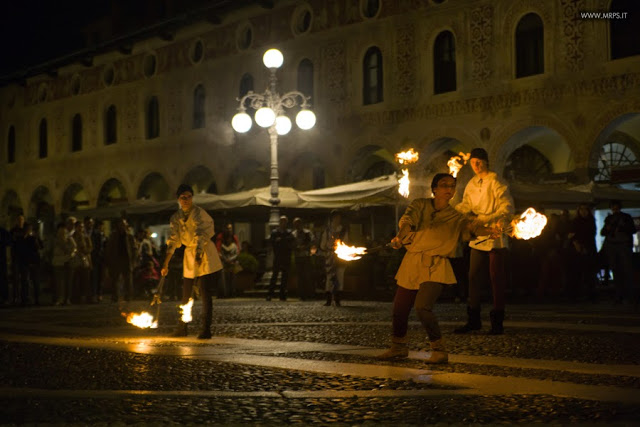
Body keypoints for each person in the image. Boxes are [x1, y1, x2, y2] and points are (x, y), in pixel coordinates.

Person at [379, 173, 497, 362]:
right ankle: (398, 347)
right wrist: (400, 237)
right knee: (399, 309)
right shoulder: (420, 204)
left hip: (436, 264)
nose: (448, 188)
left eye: (452, 185)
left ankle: (439, 350)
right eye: (444, 185)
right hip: (412, 261)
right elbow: (408, 220)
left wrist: (491, 230)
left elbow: (471, 228)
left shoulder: (456, 216)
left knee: (422, 307)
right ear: (434, 189)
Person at [454, 147, 514, 335]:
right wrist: (452, 211)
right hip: (478, 233)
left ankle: (497, 322)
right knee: (473, 276)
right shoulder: (472, 183)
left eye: (479, 162)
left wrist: (487, 220)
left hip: (494, 231)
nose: (476, 165)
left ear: (486, 162)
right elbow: (467, 204)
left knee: (496, 278)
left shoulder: (496, 181)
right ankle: (474, 319)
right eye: (473, 162)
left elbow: (507, 207)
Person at [161, 184, 223, 339]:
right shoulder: (176, 218)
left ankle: (205, 328)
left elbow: (201, 234)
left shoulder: (199, 213)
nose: (186, 200)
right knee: (186, 293)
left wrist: (199, 254)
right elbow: (173, 240)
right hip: (190, 253)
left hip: (205, 253)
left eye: (189, 196)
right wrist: (165, 263)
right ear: (178, 199)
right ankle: (183, 327)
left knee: (204, 291)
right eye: (183, 197)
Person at [600, 200, 636, 304]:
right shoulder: (609, 218)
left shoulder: (625, 217)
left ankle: (628, 296)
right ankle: (620, 295)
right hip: (614, 246)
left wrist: (621, 228)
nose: (614, 209)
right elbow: (603, 232)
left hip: (623, 246)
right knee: (617, 271)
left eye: (616, 207)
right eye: (613, 207)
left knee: (626, 271)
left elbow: (632, 230)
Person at [568, 204, 598, 302]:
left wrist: (586, 247)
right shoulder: (575, 222)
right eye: (581, 209)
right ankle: (576, 294)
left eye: (585, 209)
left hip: (590, 248)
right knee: (577, 272)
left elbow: (591, 234)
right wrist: (577, 245)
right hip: (578, 250)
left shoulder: (591, 221)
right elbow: (571, 235)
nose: (583, 211)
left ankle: (590, 294)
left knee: (589, 273)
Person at [319, 210, 349, 306]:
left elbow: (346, 243)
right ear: (332, 219)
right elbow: (322, 245)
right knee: (329, 277)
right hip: (330, 256)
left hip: (340, 256)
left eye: (339, 218)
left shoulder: (343, 231)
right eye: (336, 218)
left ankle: (337, 299)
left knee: (340, 277)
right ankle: (328, 299)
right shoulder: (327, 231)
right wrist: (328, 247)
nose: (338, 220)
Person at [105, 218, 136, 303]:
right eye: (121, 224)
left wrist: (133, 260)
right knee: (115, 280)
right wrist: (109, 260)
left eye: (124, 224)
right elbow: (109, 249)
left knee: (128, 280)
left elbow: (134, 249)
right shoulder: (113, 236)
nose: (122, 226)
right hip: (116, 260)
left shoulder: (129, 236)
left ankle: (128, 296)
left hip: (127, 260)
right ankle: (115, 296)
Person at [268, 216, 294, 301]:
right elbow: (273, 242)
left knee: (284, 277)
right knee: (274, 276)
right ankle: (270, 294)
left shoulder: (288, 232)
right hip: (278, 256)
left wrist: (281, 240)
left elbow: (291, 241)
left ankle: (282, 294)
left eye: (285, 222)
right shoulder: (275, 232)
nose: (283, 223)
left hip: (286, 256)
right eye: (282, 221)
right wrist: (282, 241)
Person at [52, 221, 77, 305]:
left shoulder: (69, 239)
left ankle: (67, 298)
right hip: (58, 263)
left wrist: (70, 253)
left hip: (67, 262)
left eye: (63, 231)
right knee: (59, 282)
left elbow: (74, 248)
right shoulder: (55, 241)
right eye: (60, 231)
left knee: (68, 282)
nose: (62, 233)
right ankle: (60, 298)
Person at [292, 217, 315, 300]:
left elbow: (312, 241)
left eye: (298, 223)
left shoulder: (307, 232)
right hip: (298, 256)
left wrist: (305, 247)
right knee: (300, 276)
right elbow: (291, 244)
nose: (297, 225)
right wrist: (296, 248)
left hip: (306, 256)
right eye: (295, 224)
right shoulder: (293, 234)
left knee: (307, 275)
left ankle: (309, 293)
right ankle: (302, 294)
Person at [23, 223, 44, 305]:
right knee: (26, 281)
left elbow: (40, 247)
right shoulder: (23, 238)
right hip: (26, 261)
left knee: (35, 281)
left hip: (35, 261)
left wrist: (36, 240)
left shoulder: (35, 237)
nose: (29, 231)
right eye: (27, 229)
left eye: (30, 229)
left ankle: (37, 298)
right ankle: (26, 298)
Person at [10, 214, 27, 305]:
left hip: (24, 258)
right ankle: (15, 297)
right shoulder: (13, 231)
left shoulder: (26, 230)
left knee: (24, 279)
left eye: (21, 219)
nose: (20, 221)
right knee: (15, 279)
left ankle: (24, 297)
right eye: (19, 219)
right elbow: (11, 242)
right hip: (16, 257)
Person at [90, 220, 107, 302]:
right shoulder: (94, 235)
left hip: (102, 258)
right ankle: (94, 294)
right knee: (95, 277)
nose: (101, 228)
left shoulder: (103, 235)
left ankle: (99, 294)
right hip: (95, 258)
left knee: (101, 277)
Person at [220, 232, 239, 298]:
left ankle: (233, 292)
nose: (229, 240)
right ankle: (226, 293)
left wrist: (230, 259)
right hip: (225, 264)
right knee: (225, 279)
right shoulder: (222, 246)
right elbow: (222, 254)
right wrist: (226, 260)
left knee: (232, 279)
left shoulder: (234, 246)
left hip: (232, 264)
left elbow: (236, 254)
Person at [0, 223, 10, 304]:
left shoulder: (3, 232)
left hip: (1, 259)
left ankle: (4, 297)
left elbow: (9, 242)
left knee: (3, 278)